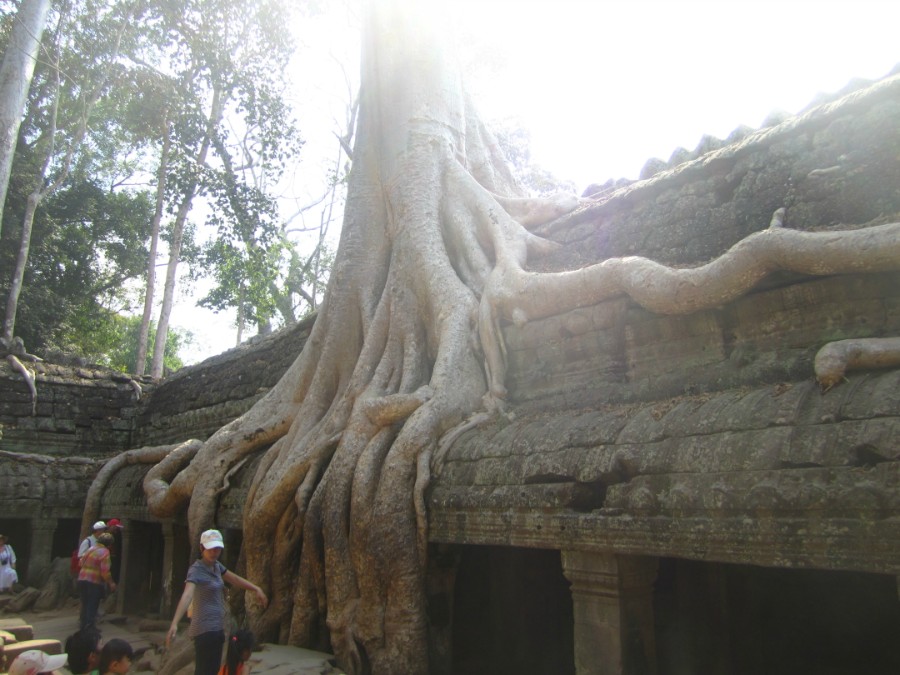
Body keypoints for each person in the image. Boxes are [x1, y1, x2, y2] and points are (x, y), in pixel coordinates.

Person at [167, 529, 268, 675]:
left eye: (217, 549)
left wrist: (255, 588)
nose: (214, 552)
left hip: (217, 628)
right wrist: (174, 623)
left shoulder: (216, 566)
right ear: (202, 548)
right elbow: (187, 594)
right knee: (204, 670)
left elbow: (234, 579)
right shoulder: (196, 570)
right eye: (211, 549)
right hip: (204, 628)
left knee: (213, 669)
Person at [78, 532, 116, 630]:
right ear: (110, 544)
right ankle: (90, 627)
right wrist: (111, 583)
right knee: (92, 603)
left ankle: (83, 626)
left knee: (85, 602)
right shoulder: (105, 552)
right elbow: (105, 571)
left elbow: (80, 562)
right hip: (94, 581)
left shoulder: (91, 549)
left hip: (82, 579)